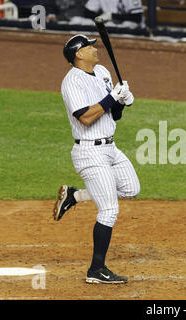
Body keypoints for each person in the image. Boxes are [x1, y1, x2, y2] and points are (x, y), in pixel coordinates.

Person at [54, 34, 140, 284]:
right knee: (109, 209)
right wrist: (112, 97)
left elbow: (113, 115)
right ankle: (96, 269)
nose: (95, 48)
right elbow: (86, 117)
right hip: (89, 152)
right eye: (90, 46)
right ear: (78, 54)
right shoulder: (72, 82)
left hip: (110, 148)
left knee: (131, 188)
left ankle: (75, 195)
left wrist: (122, 101)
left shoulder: (102, 71)